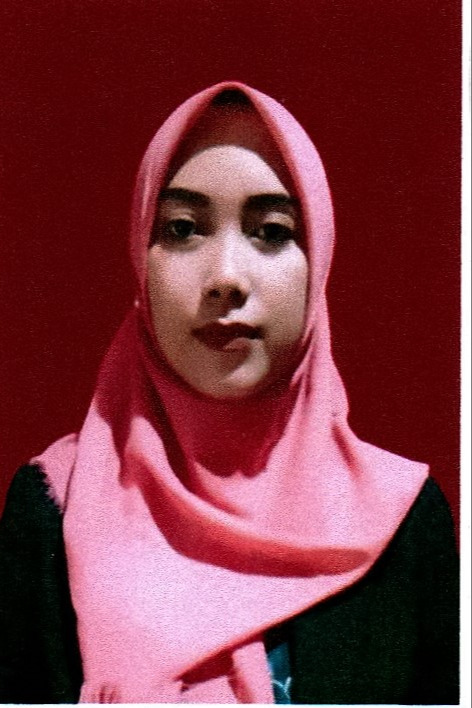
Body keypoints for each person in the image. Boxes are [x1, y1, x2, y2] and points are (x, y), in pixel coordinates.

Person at [0, 82, 459, 704]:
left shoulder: (404, 522)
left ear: (318, 261)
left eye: (271, 231)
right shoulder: (51, 510)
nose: (225, 278)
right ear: (140, 258)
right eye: (183, 228)